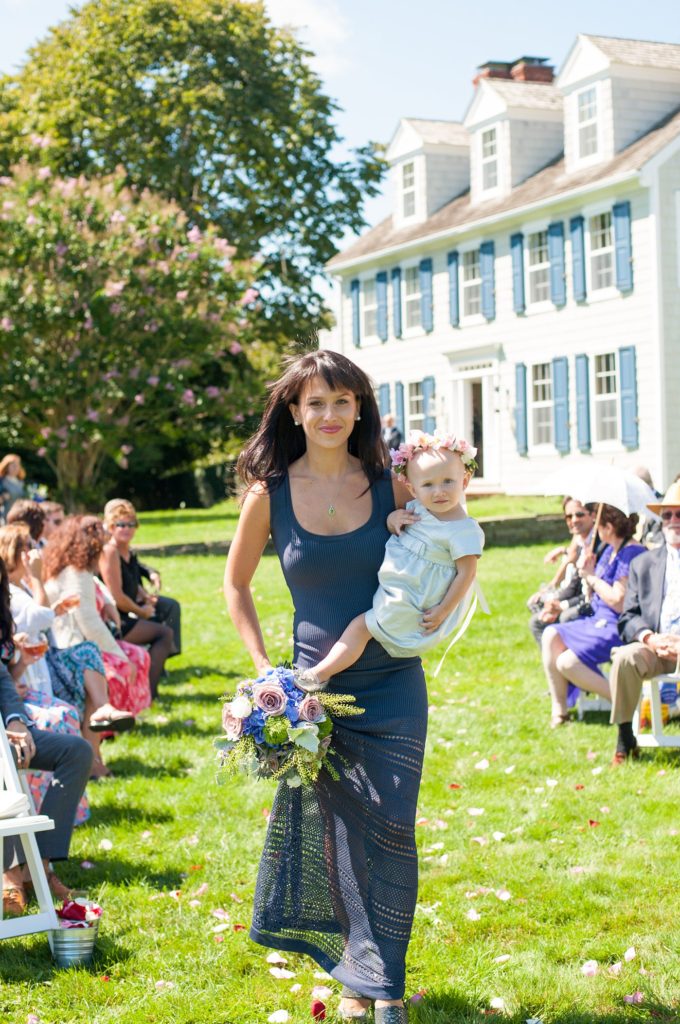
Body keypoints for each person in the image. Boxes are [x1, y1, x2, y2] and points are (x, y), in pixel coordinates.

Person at [224, 349, 424, 1022]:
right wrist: (263, 669)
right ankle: (353, 977)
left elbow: (443, 547)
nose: (329, 414)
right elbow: (236, 584)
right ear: (293, 411)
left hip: (393, 680)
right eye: (315, 403)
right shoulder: (269, 492)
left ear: (360, 407)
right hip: (314, 694)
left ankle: (386, 986)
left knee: (392, 826)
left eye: (342, 402)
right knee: (340, 835)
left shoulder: (389, 483)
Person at [298, 431, 483, 688]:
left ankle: (318, 674)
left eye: (448, 482)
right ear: (411, 488)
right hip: (402, 587)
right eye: (428, 485)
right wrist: (391, 519)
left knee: (361, 627)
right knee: (362, 628)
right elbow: (400, 520)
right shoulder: (419, 508)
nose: (438, 491)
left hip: (416, 600)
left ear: (464, 481)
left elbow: (467, 575)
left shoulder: (463, 530)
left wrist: (442, 611)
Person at [0, 523, 136, 779]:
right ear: (14, 552)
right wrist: (38, 580)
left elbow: (40, 618)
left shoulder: (21, 586)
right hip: (30, 673)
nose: (35, 552)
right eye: (28, 546)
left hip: (36, 664)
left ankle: (97, 743)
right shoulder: (12, 591)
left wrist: (55, 608)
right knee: (87, 658)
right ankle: (96, 744)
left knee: (88, 658)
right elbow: (39, 618)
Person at [43, 517, 150, 750]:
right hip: (65, 651)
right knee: (114, 664)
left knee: (110, 663)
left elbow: (94, 588)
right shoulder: (76, 572)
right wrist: (119, 657)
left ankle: (100, 743)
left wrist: (109, 603)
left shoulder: (64, 568)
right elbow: (88, 621)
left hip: (60, 646)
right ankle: (97, 750)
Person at [0, 658, 93, 916]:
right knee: (4, 757)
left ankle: (37, 868)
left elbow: (2, 679)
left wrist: (15, 719)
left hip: (5, 731)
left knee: (77, 752)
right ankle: (10, 875)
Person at [540, 504, 645, 728]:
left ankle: (629, 703)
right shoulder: (609, 550)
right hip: (596, 617)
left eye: (599, 523)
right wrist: (586, 574)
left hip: (618, 625)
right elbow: (594, 589)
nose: (596, 528)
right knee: (550, 634)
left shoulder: (632, 553)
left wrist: (591, 578)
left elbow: (618, 601)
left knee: (567, 662)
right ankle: (560, 711)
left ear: (609, 526)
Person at [609, 482, 680, 764]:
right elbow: (627, 617)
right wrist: (650, 638)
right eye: (667, 516)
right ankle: (625, 737)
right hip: (657, 648)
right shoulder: (644, 564)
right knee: (626, 657)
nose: (673, 521)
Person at [99, 499, 179, 694]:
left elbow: (132, 583)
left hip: (127, 613)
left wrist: (145, 598)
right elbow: (117, 597)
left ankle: (151, 682)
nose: (126, 529)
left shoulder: (128, 552)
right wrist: (141, 612)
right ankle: (148, 693)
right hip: (114, 620)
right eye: (121, 525)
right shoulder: (109, 552)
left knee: (165, 614)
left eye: (131, 524)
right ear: (110, 527)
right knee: (164, 633)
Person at [527, 499, 602, 647]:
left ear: (593, 516)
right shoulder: (581, 541)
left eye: (579, 515)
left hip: (592, 604)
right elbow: (574, 579)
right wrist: (552, 595)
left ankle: (566, 660)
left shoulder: (596, 544)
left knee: (564, 617)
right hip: (575, 595)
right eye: (569, 516)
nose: (574, 520)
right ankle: (557, 661)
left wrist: (562, 605)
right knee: (536, 609)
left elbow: (590, 591)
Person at [0, 454, 26, 520]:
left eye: (18, 465)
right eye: (13, 465)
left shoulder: (21, 482)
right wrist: (3, 497)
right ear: (7, 466)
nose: (16, 467)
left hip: (18, 517)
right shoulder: (2, 481)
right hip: (4, 517)